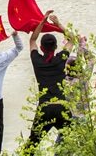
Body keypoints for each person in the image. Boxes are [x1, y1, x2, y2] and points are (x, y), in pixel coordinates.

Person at [26, 10, 74, 151]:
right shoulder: (61, 60)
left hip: (44, 108)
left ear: (41, 48)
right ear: (55, 47)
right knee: (73, 142)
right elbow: (72, 39)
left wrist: (42, 22)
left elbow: (32, 40)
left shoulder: (37, 61)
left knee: (31, 146)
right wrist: (58, 23)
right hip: (61, 107)